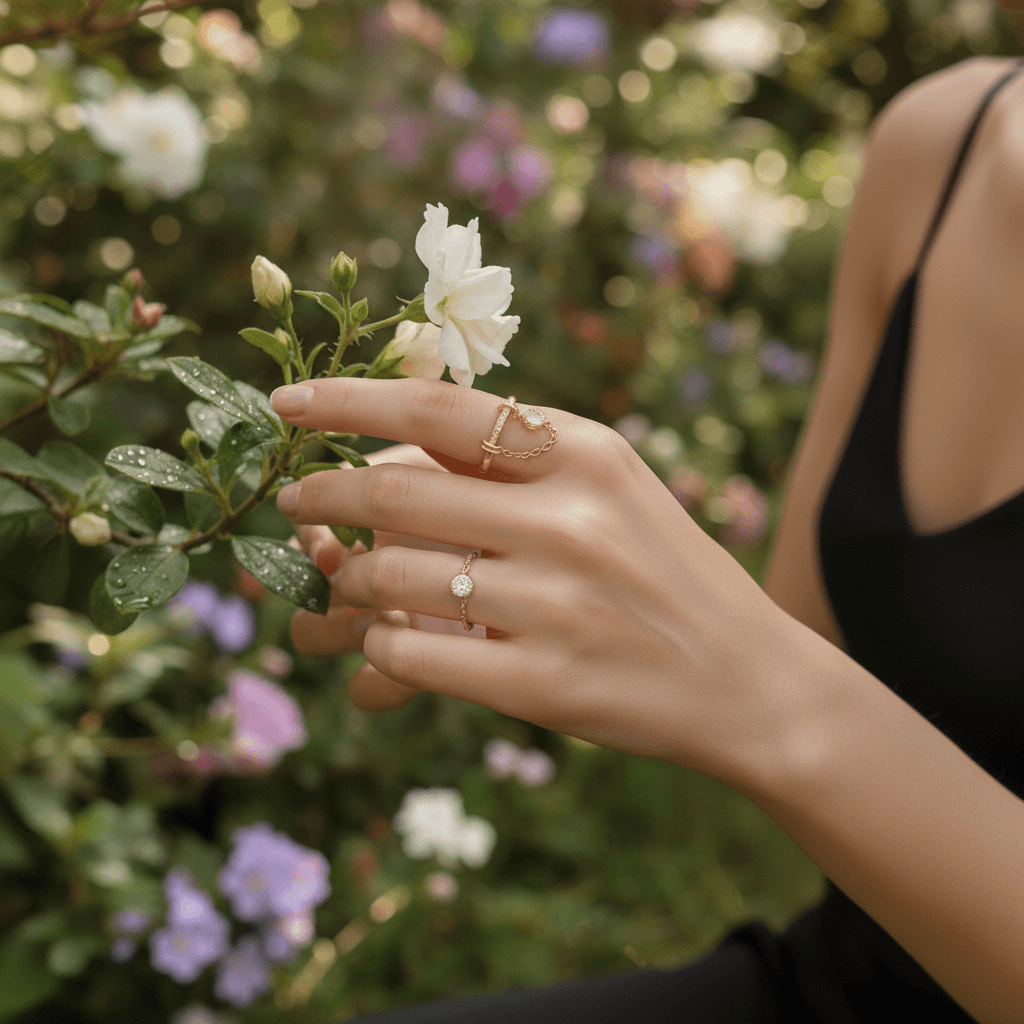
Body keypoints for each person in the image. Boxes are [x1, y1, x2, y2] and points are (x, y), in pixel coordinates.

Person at [267, 22, 1024, 1024]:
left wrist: (767, 692)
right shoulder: (941, 145)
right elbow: (805, 638)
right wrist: (536, 560)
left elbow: (780, 680)